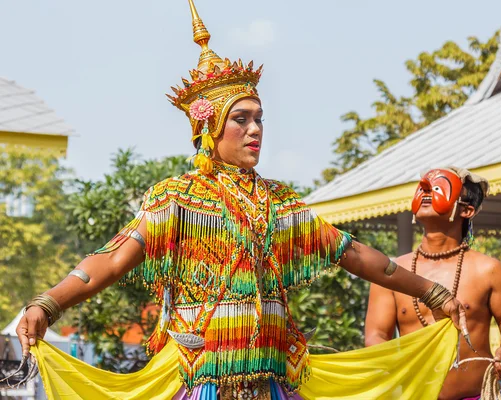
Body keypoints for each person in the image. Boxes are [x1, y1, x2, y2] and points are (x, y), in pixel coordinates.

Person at [15, 3, 468, 399]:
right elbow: (110, 262)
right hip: (202, 382)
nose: (255, 130)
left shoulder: (280, 203)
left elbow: (353, 254)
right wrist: (47, 304)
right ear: (208, 129)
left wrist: (431, 292)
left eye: (260, 119)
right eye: (241, 119)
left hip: (273, 381)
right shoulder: (177, 199)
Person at [364, 167, 501, 400]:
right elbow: (376, 334)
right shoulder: (391, 273)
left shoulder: (490, 271)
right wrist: (389, 363)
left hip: (476, 395)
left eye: (438, 187)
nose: (427, 192)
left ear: (467, 210)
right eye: (423, 188)